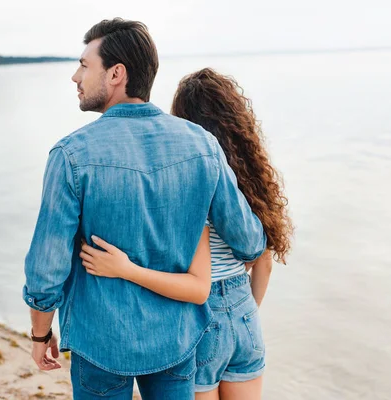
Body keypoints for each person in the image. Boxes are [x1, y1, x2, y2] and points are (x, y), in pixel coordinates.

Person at [22, 19, 266, 400]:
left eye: (85, 65)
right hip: (177, 341)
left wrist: (40, 332)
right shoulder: (202, 145)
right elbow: (250, 242)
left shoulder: (71, 154)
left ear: (116, 73)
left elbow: (46, 268)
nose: (75, 76)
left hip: (100, 342)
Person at [80, 68, 293, 400]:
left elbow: (196, 283)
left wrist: (125, 268)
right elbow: (262, 258)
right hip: (245, 314)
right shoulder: (252, 184)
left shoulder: (190, 178)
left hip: (200, 318)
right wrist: (245, 313)